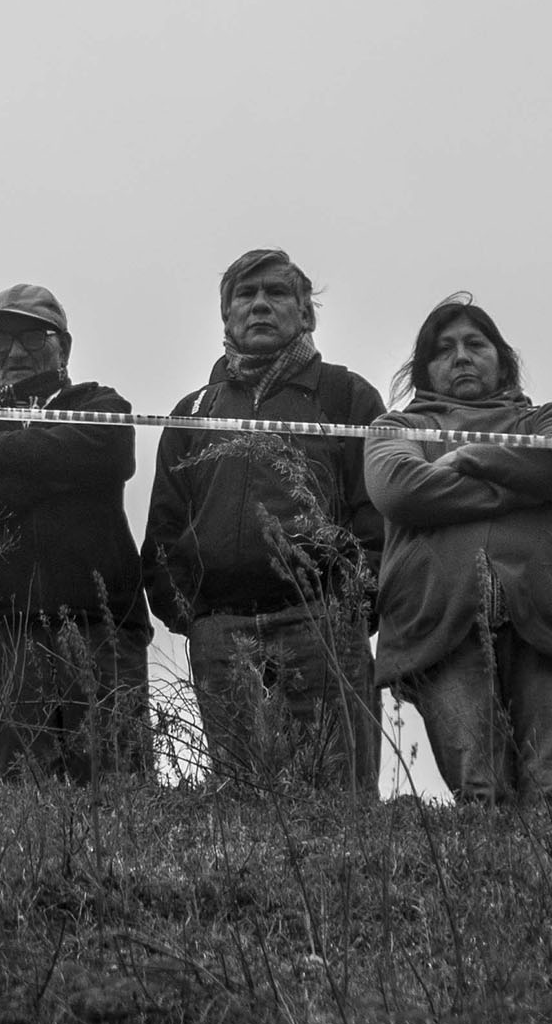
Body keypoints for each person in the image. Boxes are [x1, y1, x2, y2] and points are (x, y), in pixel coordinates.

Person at [143, 250, 388, 788]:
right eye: (244, 296)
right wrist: (193, 616)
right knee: (240, 801)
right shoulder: (194, 410)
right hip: (221, 631)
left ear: (306, 315)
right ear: (226, 316)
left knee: (339, 797)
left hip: (321, 624)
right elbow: (163, 527)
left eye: (276, 293)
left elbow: (379, 514)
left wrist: (352, 607)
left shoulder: (346, 395)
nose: (259, 305)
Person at [363, 298, 552, 808]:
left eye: (475, 344)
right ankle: (489, 886)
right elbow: (400, 490)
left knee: (550, 800)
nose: (460, 357)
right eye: (444, 349)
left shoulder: (546, 418)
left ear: (502, 359)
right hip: (435, 621)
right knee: (480, 795)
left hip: (547, 616)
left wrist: (469, 458)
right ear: (424, 370)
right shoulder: (394, 427)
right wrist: (521, 487)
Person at [0, 284, 153, 782]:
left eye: (33, 335)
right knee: (21, 800)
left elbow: (112, 452)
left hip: (102, 627)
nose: (16, 351)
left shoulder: (100, 404)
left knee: (121, 794)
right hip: (4, 633)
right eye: (0, 339)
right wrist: (57, 470)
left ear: (63, 346)